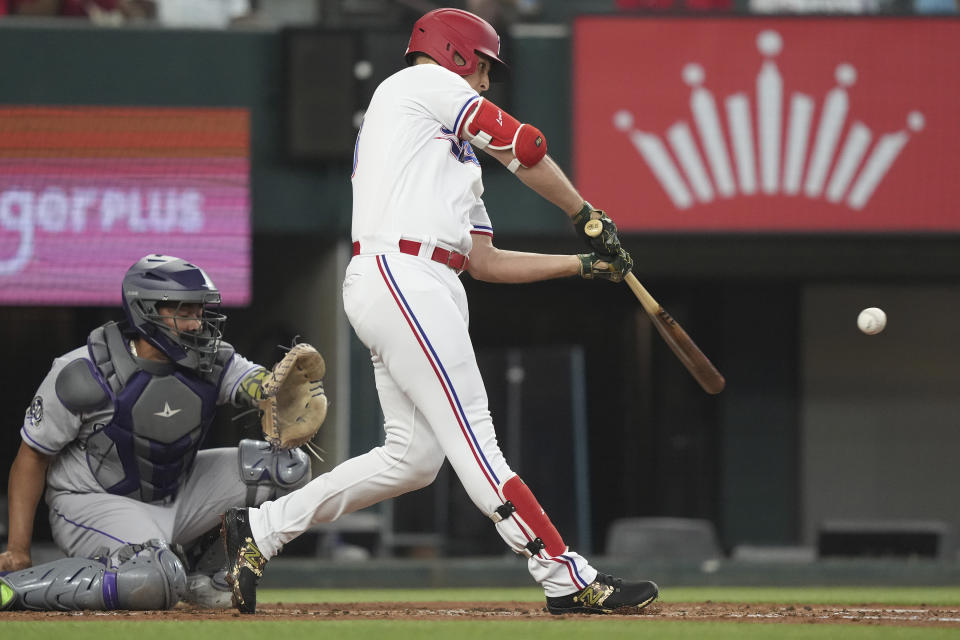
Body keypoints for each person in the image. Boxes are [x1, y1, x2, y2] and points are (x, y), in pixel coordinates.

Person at [222, 7, 656, 615]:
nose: (483, 80)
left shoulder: (450, 155)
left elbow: (485, 262)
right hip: (402, 274)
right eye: (482, 66)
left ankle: (262, 529)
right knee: (476, 439)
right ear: (454, 52)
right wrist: (585, 214)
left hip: (423, 280)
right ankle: (565, 577)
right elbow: (525, 145)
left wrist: (580, 265)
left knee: (412, 458)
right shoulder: (419, 84)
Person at [0, 254, 312, 611]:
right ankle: (14, 588)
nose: (197, 325)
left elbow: (258, 385)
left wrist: (277, 392)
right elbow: (32, 457)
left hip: (175, 493)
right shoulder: (84, 371)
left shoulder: (213, 359)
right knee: (152, 580)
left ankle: (207, 577)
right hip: (93, 500)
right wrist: (18, 549)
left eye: (199, 312)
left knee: (289, 469)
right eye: (184, 312)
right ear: (146, 310)